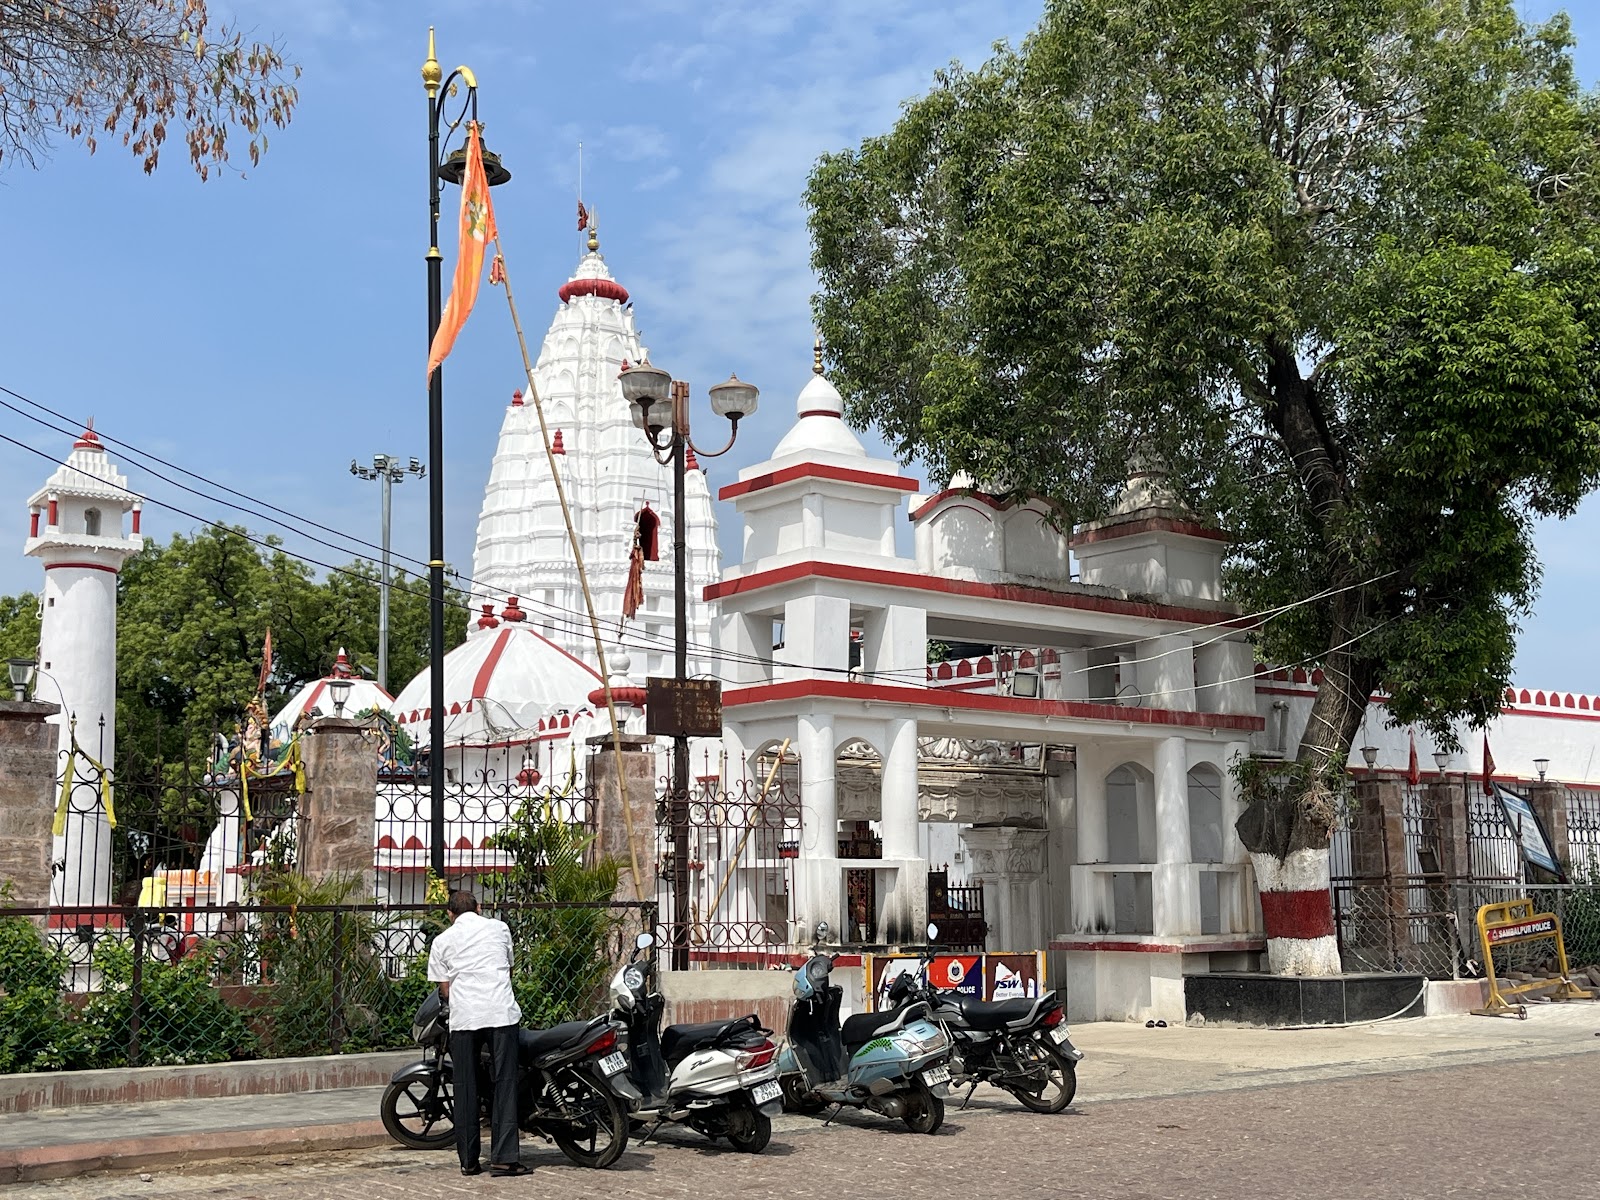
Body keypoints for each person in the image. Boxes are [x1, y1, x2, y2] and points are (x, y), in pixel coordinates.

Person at [427, 890, 525, 1178]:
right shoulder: (499, 928)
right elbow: (508, 968)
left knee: (465, 1086)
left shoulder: (442, 940)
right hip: (500, 1013)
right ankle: (504, 1158)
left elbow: (445, 988)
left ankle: (469, 1161)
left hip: (465, 1018)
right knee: (505, 1083)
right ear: (479, 908)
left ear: (450, 913)